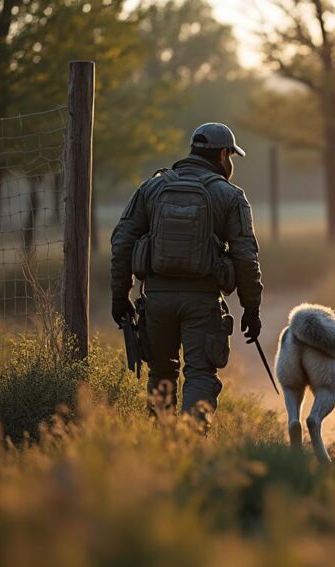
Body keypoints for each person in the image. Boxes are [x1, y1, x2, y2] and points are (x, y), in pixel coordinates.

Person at [110, 123, 263, 423]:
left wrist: (119, 295)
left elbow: (122, 242)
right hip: (202, 301)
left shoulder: (152, 187)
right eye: (231, 156)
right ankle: (191, 441)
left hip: (156, 299)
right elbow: (246, 256)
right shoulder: (231, 196)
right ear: (222, 155)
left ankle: (162, 446)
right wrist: (251, 309)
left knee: (162, 371)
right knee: (201, 373)